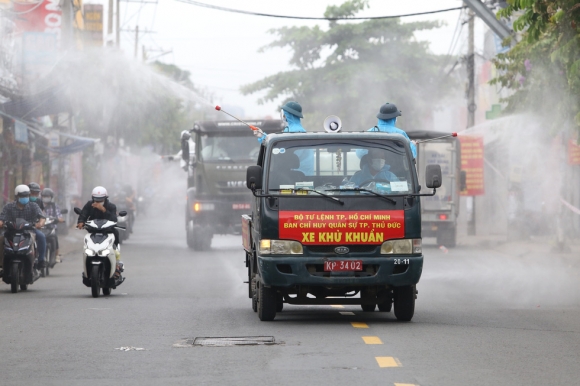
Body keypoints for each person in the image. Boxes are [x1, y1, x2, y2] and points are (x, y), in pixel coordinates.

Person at [76, 186, 123, 278]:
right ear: (92, 198)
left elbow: (114, 219)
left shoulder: (111, 206)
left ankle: (117, 266)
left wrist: (103, 210)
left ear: (105, 198)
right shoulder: (89, 204)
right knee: (87, 247)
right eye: (96, 199)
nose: (98, 202)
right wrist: (81, 222)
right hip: (93, 231)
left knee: (115, 244)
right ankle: (87, 268)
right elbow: (83, 214)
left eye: (101, 199)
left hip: (108, 231)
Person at [257, 101, 314, 175]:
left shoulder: (296, 131)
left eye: (284, 114)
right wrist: (263, 136)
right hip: (297, 174)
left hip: (299, 175)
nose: (283, 116)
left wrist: (264, 138)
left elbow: (286, 152)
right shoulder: (292, 129)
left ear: (287, 115)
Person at [0, 185, 47, 271]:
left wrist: (40, 223)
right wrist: (1, 223)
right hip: (11, 232)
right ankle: (2, 263)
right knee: (1, 239)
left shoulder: (34, 206)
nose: (24, 198)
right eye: (22, 196)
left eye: (26, 196)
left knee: (41, 236)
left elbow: (42, 217)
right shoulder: (9, 207)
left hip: (30, 231)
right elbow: (2, 218)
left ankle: (40, 260)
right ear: (16, 196)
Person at [41, 188, 65, 262]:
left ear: (51, 197)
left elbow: (59, 216)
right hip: (41, 227)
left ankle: (57, 255)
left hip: (52, 228)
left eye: (47, 196)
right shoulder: (39, 205)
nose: (46, 198)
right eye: (44, 196)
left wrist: (59, 219)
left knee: (55, 238)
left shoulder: (55, 206)